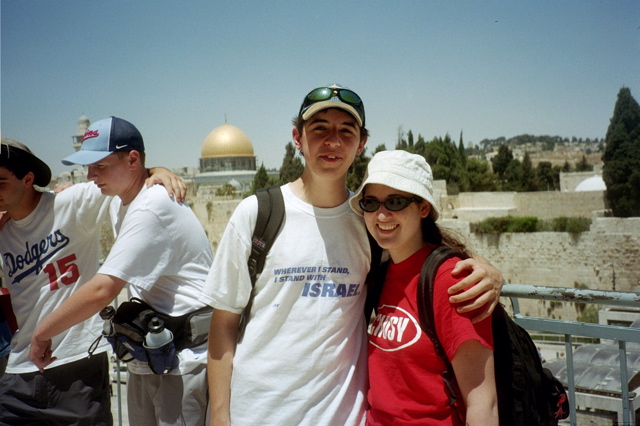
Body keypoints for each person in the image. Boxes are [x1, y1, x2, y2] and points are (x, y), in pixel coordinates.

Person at [201, 84, 504, 425]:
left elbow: (422, 251)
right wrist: (219, 416)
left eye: (346, 131)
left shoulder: (369, 223)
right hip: (257, 415)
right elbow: (223, 324)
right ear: (297, 139)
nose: (333, 141)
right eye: (319, 129)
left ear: (361, 145)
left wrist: (487, 269)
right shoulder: (256, 214)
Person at [28, 117, 213, 426]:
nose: (90, 176)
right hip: (152, 355)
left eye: (98, 166)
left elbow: (104, 289)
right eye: (87, 167)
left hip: (184, 365)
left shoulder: (152, 206)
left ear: (132, 159)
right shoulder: (120, 198)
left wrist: (41, 333)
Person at [0, 136, 185, 424]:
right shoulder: (2, 231)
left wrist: (157, 171)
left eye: (1, 181)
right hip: (19, 373)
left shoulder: (70, 204)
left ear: (28, 179)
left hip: (76, 366)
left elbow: (126, 178)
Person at [349, 150, 498, 425]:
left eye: (395, 202)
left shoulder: (450, 279)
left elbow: (483, 401)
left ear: (424, 208)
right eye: (371, 203)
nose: (382, 215)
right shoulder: (379, 271)